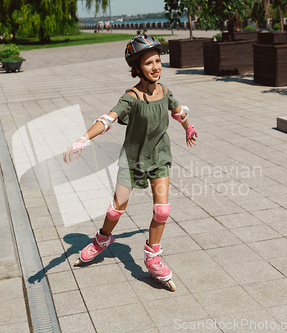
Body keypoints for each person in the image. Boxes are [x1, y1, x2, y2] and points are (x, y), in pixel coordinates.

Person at [62, 34, 197, 291]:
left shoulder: (165, 92)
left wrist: (189, 128)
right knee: (115, 210)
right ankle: (102, 239)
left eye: (158, 61)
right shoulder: (131, 97)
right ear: (137, 68)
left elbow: (178, 112)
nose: (156, 67)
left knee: (162, 211)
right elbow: (108, 119)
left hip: (159, 157)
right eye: (149, 63)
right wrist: (83, 138)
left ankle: (153, 256)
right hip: (132, 160)